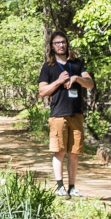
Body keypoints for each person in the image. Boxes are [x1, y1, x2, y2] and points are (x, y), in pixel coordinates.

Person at [37, 33, 93, 197]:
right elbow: (42, 92)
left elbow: (90, 84)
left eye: (63, 42)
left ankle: (72, 187)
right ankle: (60, 186)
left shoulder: (77, 64)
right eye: (57, 43)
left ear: (67, 44)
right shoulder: (48, 67)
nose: (61, 45)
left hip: (76, 114)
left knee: (74, 153)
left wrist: (77, 78)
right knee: (59, 151)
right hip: (58, 115)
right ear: (52, 46)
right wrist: (59, 81)